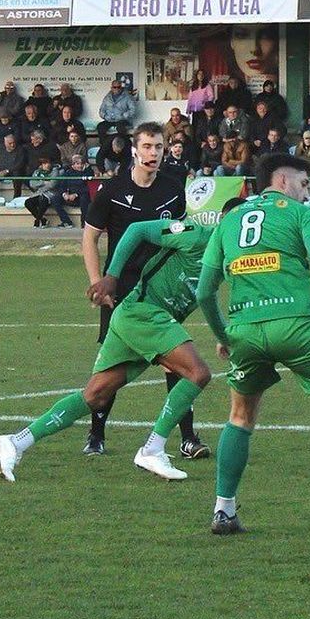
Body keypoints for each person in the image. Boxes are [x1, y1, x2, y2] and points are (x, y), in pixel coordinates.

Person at [196, 153, 310, 534]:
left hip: (246, 332)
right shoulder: (301, 215)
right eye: (303, 184)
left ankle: (223, 510)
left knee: (240, 417)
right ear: (282, 181)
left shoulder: (229, 220)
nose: (306, 193)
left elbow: (203, 292)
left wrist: (224, 337)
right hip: (297, 325)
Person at [0, 202, 238, 484]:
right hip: (144, 313)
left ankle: (17, 441)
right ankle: (152, 449)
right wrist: (111, 276)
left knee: (95, 396)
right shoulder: (195, 235)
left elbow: (207, 297)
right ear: (223, 222)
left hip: (138, 321)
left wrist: (223, 337)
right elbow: (137, 230)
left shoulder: (225, 260)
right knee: (198, 373)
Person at [81, 122, 199, 459]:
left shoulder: (173, 188)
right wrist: (97, 281)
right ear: (134, 150)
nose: (153, 153)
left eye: (158, 147)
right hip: (120, 287)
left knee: (175, 361)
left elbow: (178, 236)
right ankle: (96, 434)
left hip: (159, 287)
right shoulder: (113, 189)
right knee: (112, 364)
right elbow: (90, 236)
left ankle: (187, 438)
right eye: (147, 146)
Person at [95, 78, 138, 156]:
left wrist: (123, 115)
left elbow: (133, 110)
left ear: (121, 87)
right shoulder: (107, 97)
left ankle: (122, 148)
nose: (117, 89)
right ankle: (105, 147)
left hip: (122, 120)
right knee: (100, 127)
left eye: (119, 87)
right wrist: (105, 116)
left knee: (120, 128)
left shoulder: (127, 96)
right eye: (115, 87)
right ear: (111, 88)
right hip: (110, 120)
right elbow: (101, 110)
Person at [50, 152, 91, 227]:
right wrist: (64, 194)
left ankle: (84, 223)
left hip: (80, 197)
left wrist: (76, 194)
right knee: (55, 198)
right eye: (77, 164)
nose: (80, 166)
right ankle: (66, 222)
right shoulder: (68, 173)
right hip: (69, 197)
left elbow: (88, 188)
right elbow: (62, 186)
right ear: (73, 165)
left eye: (81, 164)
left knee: (85, 197)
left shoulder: (88, 173)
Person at [0, 132, 29, 199]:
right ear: (5, 143)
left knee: (17, 174)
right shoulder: (0, 147)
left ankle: (16, 197)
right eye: (10, 143)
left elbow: (20, 164)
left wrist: (7, 171)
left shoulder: (20, 149)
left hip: (13, 170)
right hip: (2, 170)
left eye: (13, 142)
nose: (12, 145)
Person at [25, 157, 60, 227]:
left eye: (48, 163)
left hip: (51, 193)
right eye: (44, 163)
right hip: (39, 193)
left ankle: (37, 220)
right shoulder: (37, 172)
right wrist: (44, 182)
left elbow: (52, 184)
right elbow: (32, 184)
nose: (47, 165)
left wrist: (39, 184)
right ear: (41, 165)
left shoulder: (55, 171)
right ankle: (43, 220)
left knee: (43, 200)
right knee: (28, 202)